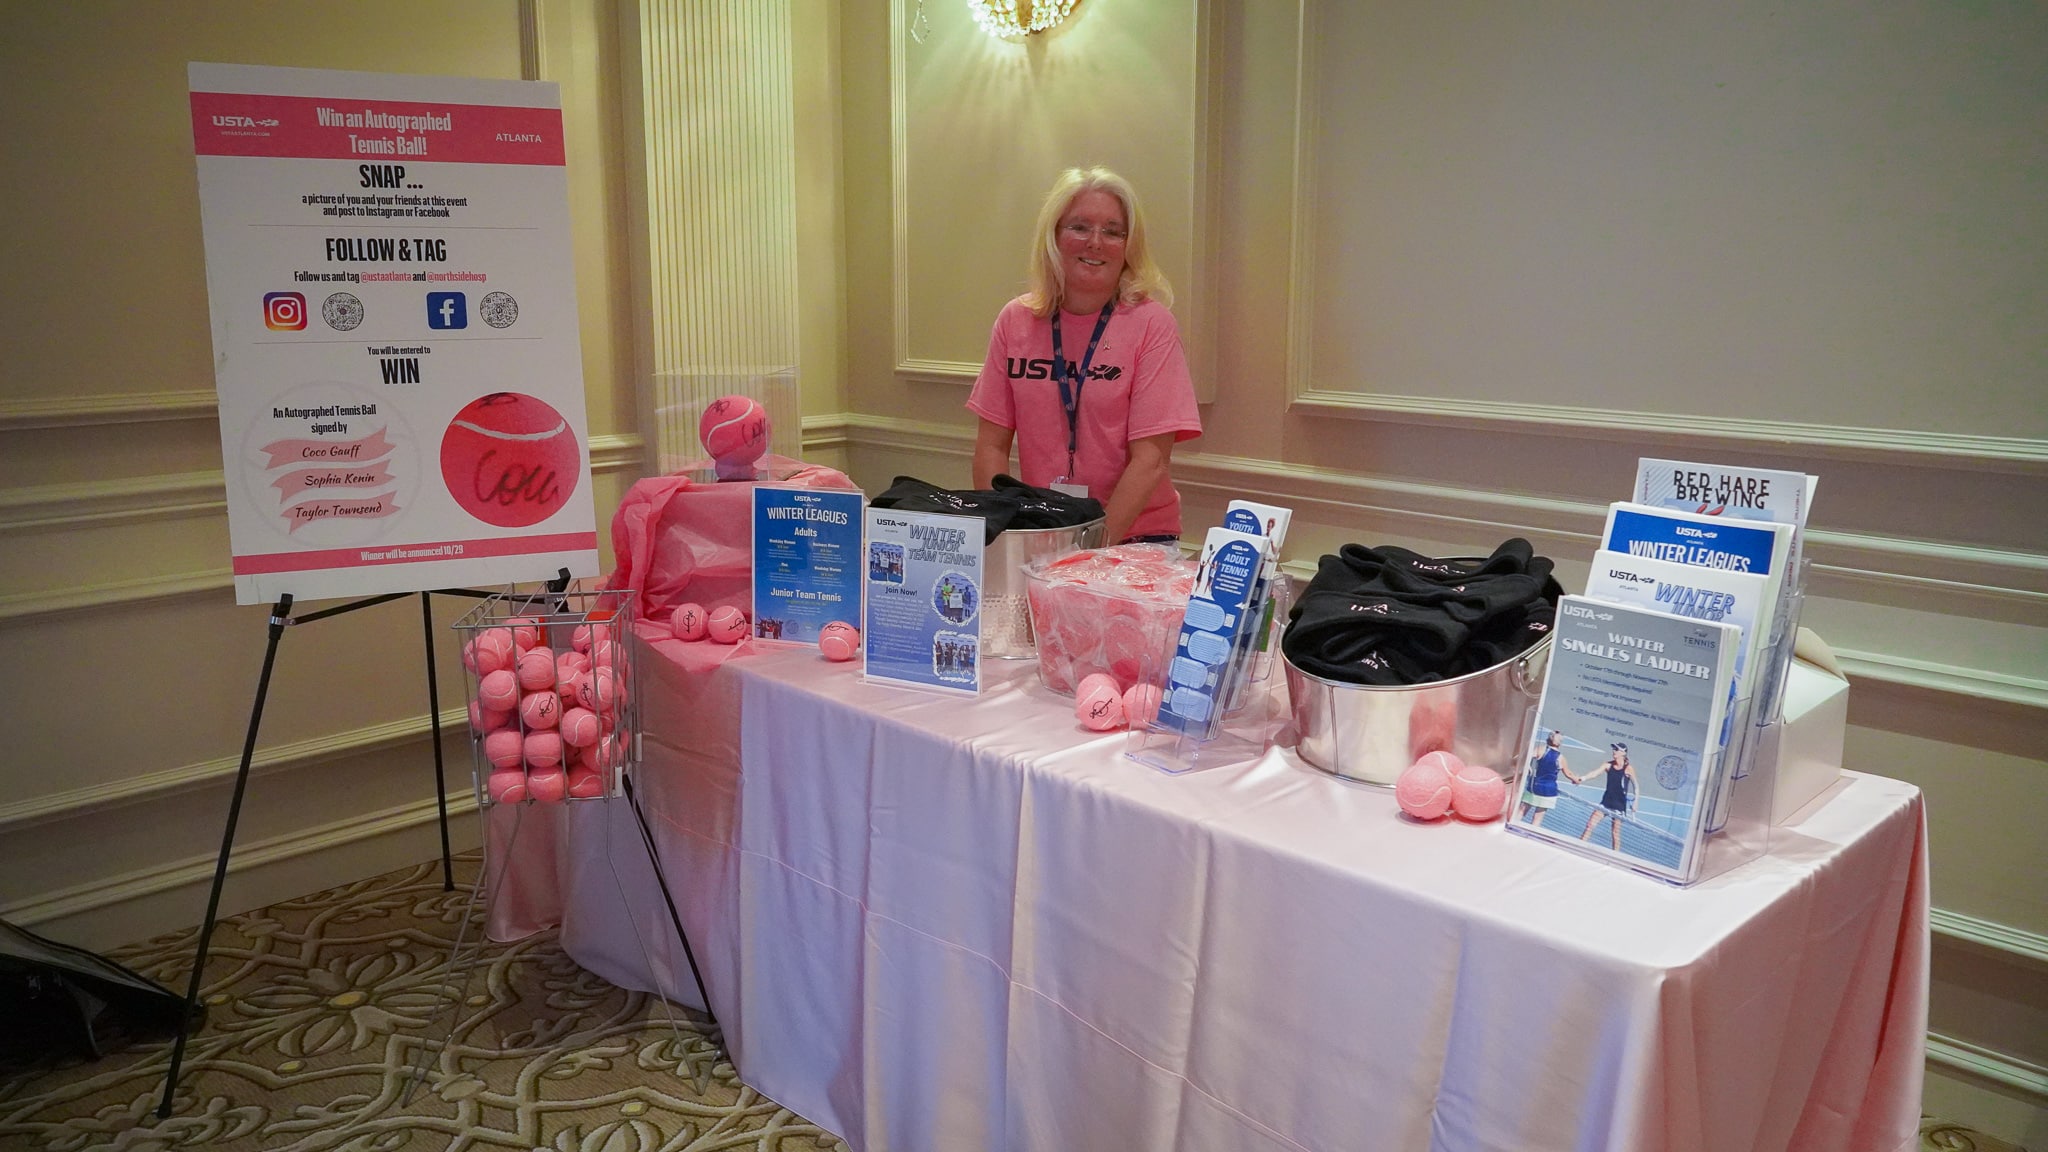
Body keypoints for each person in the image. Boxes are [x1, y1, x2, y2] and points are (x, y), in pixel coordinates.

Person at [969, 167, 1202, 544]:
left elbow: (1151, 460)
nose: (1095, 242)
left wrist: (1088, 550)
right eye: (1079, 227)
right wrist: (1004, 537)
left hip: (1136, 538)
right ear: (1054, 235)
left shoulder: (1151, 325)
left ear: (1129, 245)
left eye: (1113, 231)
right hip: (1042, 532)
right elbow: (991, 445)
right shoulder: (1015, 320)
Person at [1518, 730, 1581, 826]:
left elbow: (1525, 758)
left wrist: (1528, 768)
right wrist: (1576, 780)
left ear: (1548, 739)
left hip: (1534, 787)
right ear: (1560, 743)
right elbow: (1568, 774)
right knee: (1537, 818)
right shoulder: (1561, 758)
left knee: (1521, 811)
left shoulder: (1540, 750)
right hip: (1548, 791)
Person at [1580, 743, 1636, 851]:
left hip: (1619, 807)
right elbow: (1594, 773)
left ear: (1623, 753)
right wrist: (1582, 778)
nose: (1614, 751)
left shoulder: (1628, 769)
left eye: (1616, 749)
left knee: (1615, 834)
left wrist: (1636, 802)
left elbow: (1636, 787)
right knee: (1590, 825)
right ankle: (1578, 846)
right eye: (1613, 749)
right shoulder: (1608, 765)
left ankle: (1616, 857)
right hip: (1606, 803)